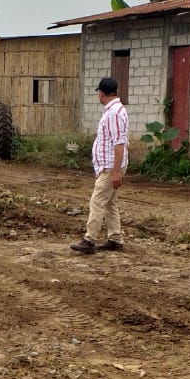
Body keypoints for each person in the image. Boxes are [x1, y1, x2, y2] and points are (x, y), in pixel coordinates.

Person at [71, 76, 129, 254]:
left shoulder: (114, 113)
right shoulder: (115, 110)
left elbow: (119, 143)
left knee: (97, 201)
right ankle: (115, 238)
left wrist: (116, 171)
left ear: (101, 93)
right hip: (110, 166)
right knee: (110, 202)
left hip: (111, 167)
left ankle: (89, 240)